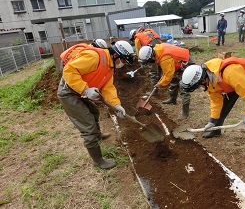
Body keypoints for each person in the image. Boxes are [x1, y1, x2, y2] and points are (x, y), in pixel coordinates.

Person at [57, 39, 135, 169]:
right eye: (122, 61)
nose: (122, 64)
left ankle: (97, 135)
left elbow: (108, 88)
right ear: (116, 55)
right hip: (69, 92)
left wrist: (116, 105)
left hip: (80, 91)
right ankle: (98, 160)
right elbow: (69, 70)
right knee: (87, 125)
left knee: (94, 111)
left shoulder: (110, 67)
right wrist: (85, 89)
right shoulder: (95, 57)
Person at [179, 57, 245, 165]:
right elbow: (216, 100)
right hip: (232, 83)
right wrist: (212, 121)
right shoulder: (209, 77)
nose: (199, 88)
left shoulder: (229, 73)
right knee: (223, 105)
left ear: (203, 80)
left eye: (198, 86)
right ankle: (216, 129)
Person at [138, 44, 194, 120]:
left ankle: (185, 112)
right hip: (177, 61)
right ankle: (172, 99)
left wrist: (159, 84)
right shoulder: (157, 50)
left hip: (186, 62)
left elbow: (168, 77)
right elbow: (167, 71)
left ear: (151, 57)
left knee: (183, 87)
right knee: (174, 80)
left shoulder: (164, 59)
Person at [129, 26, 162, 96]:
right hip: (162, 50)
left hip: (152, 53)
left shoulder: (137, 37)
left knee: (153, 72)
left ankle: (154, 92)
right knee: (159, 70)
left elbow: (139, 52)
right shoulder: (149, 31)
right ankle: (159, 87)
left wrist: (142, 63)